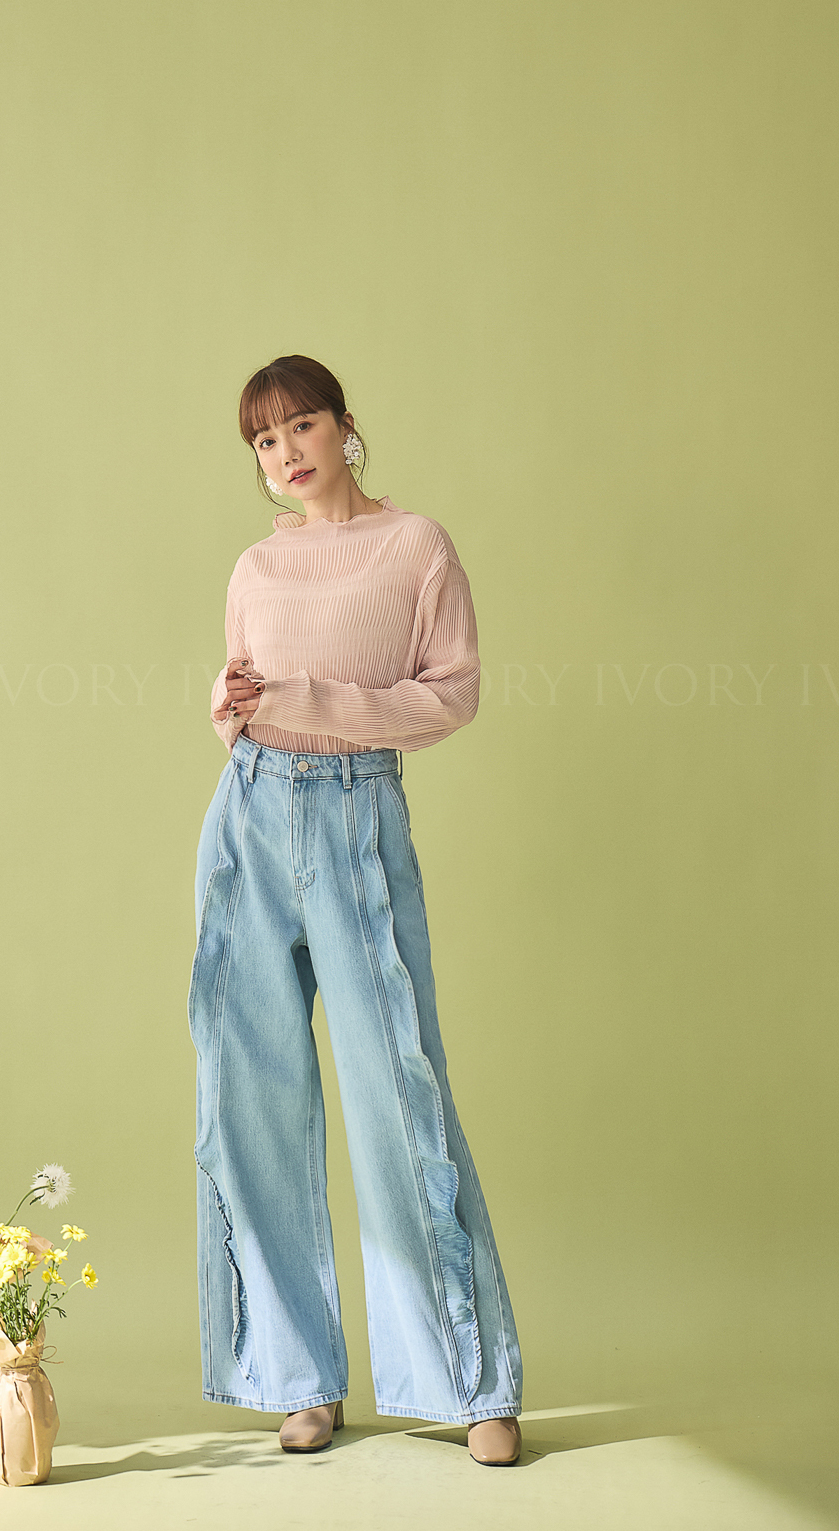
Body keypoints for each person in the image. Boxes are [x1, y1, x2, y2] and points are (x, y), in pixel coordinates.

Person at [188, 355, 523, 1465]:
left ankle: (469, 1381)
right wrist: (231, 705)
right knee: (250, 1092)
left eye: (300, 426)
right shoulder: (254, 565)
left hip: (355, 813)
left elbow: (451, 694)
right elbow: (239, 695)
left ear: (344, 427)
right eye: (263, 441)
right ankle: (296, 1377)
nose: (284, 453)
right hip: (249, 816)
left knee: (397, 1087)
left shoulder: (414, 547)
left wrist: (310, 699)